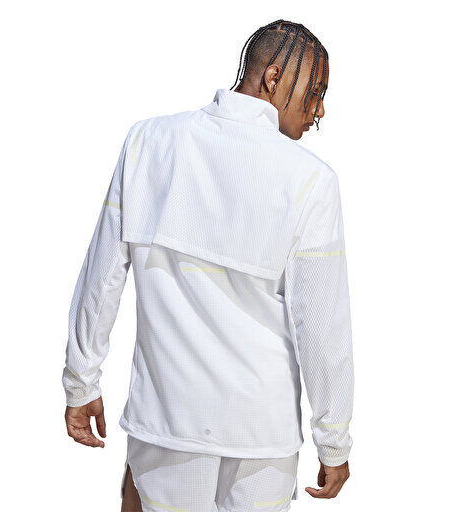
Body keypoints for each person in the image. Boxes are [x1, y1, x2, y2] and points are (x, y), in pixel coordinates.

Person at [62, 19, 354, 512]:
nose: (320, 109)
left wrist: (81, 380)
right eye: (316, 91)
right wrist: (334, 440)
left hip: (165, 424)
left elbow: (102, 277)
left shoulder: (149, 144)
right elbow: (324, 330)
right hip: (262, 438)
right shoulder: (311, 181)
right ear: (273, 77)